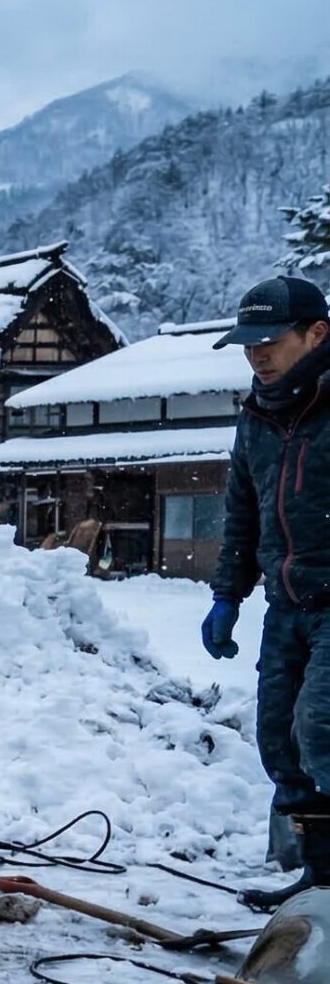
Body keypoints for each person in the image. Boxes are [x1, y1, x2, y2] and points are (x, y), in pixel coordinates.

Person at [203, 274, 330, 910]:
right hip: (288, 605)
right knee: (279, 737)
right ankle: (320, 876)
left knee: (324, 728)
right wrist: (228, 595)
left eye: (269, 341)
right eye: (247, 343)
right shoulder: (257, 415)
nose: (256, 353)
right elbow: (243, 511)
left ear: (316, 334)